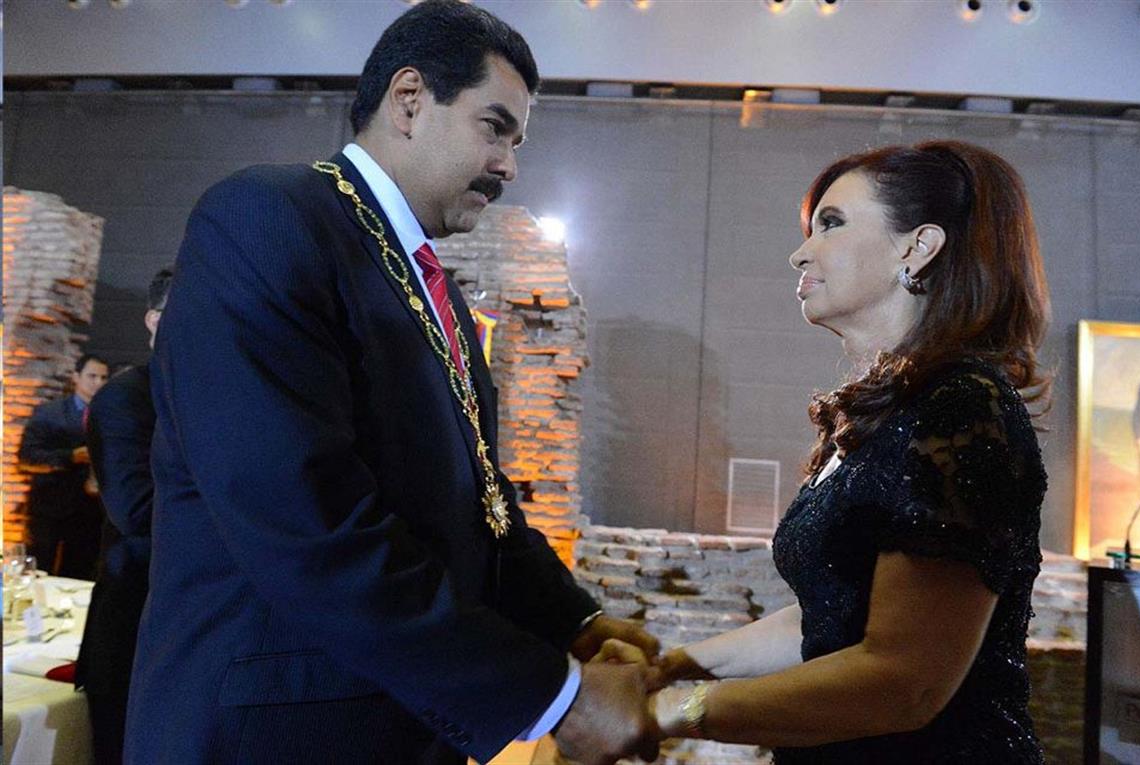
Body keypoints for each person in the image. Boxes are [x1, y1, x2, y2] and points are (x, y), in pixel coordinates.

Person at [126, 3, 659, 764]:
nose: (508, 167)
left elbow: (478, 502)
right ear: (409, 101)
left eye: (517, 143)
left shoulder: (433, 289)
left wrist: (572, 620)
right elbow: (305, 514)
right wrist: (555, 697)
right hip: (273, 734)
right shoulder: (266, 218)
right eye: (494, 128)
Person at [648, 141, 1051, 763]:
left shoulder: (962, 409)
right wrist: (670, 666)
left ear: (918, 247)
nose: (800, 253)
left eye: (831, 224)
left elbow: (904, 681)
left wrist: (666, 712)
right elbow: (829, 617)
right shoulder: (888, 412)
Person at [76, 266, 173, 765]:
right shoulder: (126, 397)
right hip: (133, 623)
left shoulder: (214, 392)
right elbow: (136, 509)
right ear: (154, 320)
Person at [18, 352, 110, 579]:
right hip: (49, 507)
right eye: (92, 376)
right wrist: (70, 457)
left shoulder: (112, 415)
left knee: (79, 574)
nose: (98, 383)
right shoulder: (50, 413)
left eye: (103, 378)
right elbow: (27, 457)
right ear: (76, 377)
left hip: (90, 512)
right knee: (39, 570)